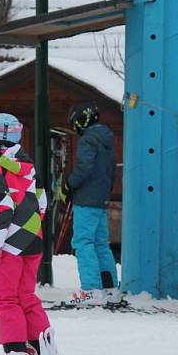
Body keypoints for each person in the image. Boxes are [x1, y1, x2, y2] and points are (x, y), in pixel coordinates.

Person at [0, 113, 61, 355]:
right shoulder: (28, 167)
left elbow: (2, 208)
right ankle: (42, 348)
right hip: (32, 240)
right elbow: (42, 203)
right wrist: (28, 229)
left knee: (7, 298)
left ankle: (16, 353)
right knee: (26, 295)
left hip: (8, 243)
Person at [63, 101, 120, 306]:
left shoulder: (88, 140)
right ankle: (110, 288)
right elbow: (112, 171)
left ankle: (91, 290)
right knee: (100, 243)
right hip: (101, 198)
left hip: (86, 199)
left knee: (83, 242)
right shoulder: (107, 140)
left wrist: (69, 184)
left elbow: (84, 167)